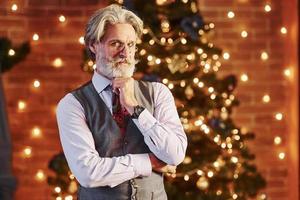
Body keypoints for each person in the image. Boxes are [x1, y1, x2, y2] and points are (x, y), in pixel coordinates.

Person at [56, 4, 187, 200]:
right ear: (93, 44)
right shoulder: (73, 104)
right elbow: (88, 173)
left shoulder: (158, 93)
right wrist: (149, 162)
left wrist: (136, 109)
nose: (125, 53)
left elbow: (175, 154)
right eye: (116, 44)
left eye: (131, 44)